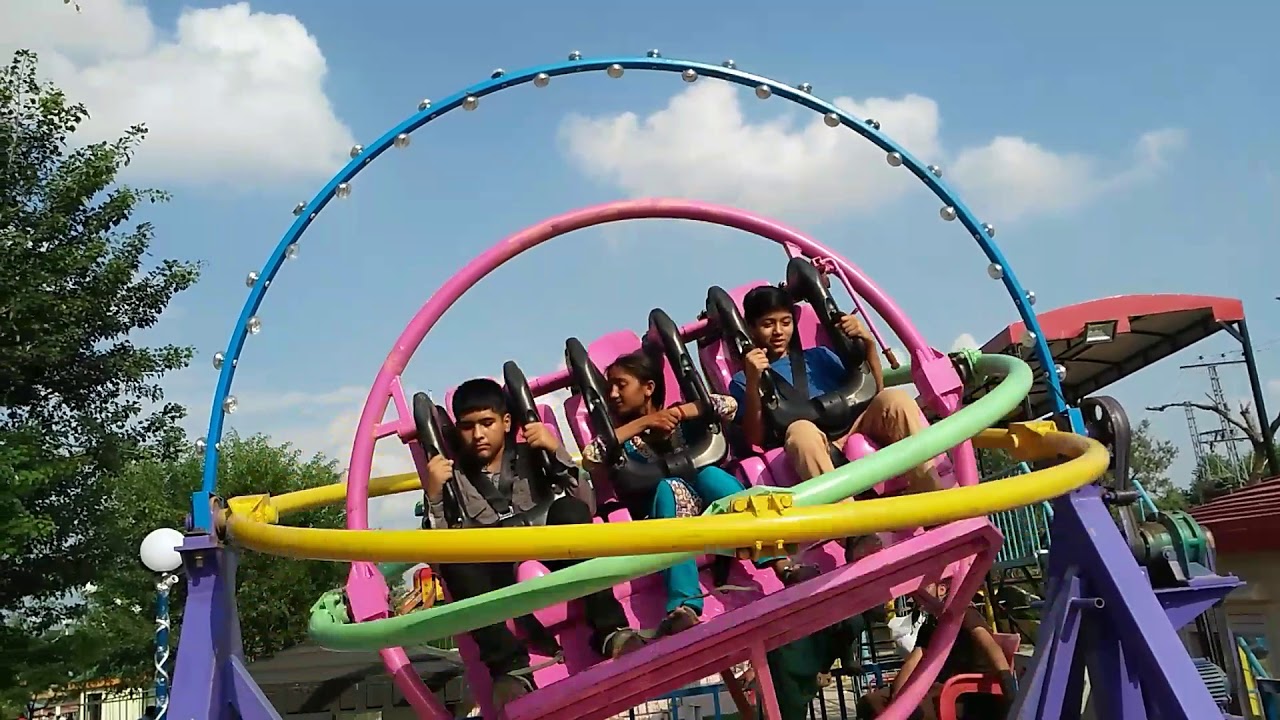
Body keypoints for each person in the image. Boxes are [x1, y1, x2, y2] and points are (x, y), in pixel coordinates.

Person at [423, 378, 646, 709]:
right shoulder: (453, 479)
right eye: (468, 427)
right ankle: (510, 670)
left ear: (507, 422)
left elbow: (586, 504)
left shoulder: (532, 454)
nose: (479, 434)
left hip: (549, 549)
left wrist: (556, 451)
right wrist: (433, 495)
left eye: (487, 423)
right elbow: (438, 557)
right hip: (495, 567)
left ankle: (611, 630)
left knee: (569, 510)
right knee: (456, 561)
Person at [580, 352, 821, 636]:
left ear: (648, 388)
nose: (613, 393)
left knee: (713, 476)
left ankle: (782, 565)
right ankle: (683, 606)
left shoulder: (681, 416)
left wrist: (681, 412)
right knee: (669, 488)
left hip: (710, 503)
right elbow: (590, 458)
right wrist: (644, 424)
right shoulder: (620, 439)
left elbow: (728, 406)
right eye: (610, 387)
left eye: (621, 385)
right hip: (663, 510)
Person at [727, 285, 945, 558]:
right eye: (768, 325)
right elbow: (755, 438)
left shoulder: (818, 356)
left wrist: (868, 345)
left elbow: (873, 389)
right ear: (751, 328)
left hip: (852, 423)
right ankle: (853, 532)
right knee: (801, 430)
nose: (778, 332)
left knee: (897, 399)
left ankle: (935, 503)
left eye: (785, 322)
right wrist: (753, 383)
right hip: (809, 440)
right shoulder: (742, 380)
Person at [855, 591, 1015, 719]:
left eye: (923, 587)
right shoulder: (932, 621)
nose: (915, 594)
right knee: (870, 702)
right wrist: (898, 695)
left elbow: (990, 645)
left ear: (942, 589)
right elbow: (914, 660)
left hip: (968, 694)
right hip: (940, 687)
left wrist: (1007, 682)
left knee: (913, 710)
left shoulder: (963, 613)